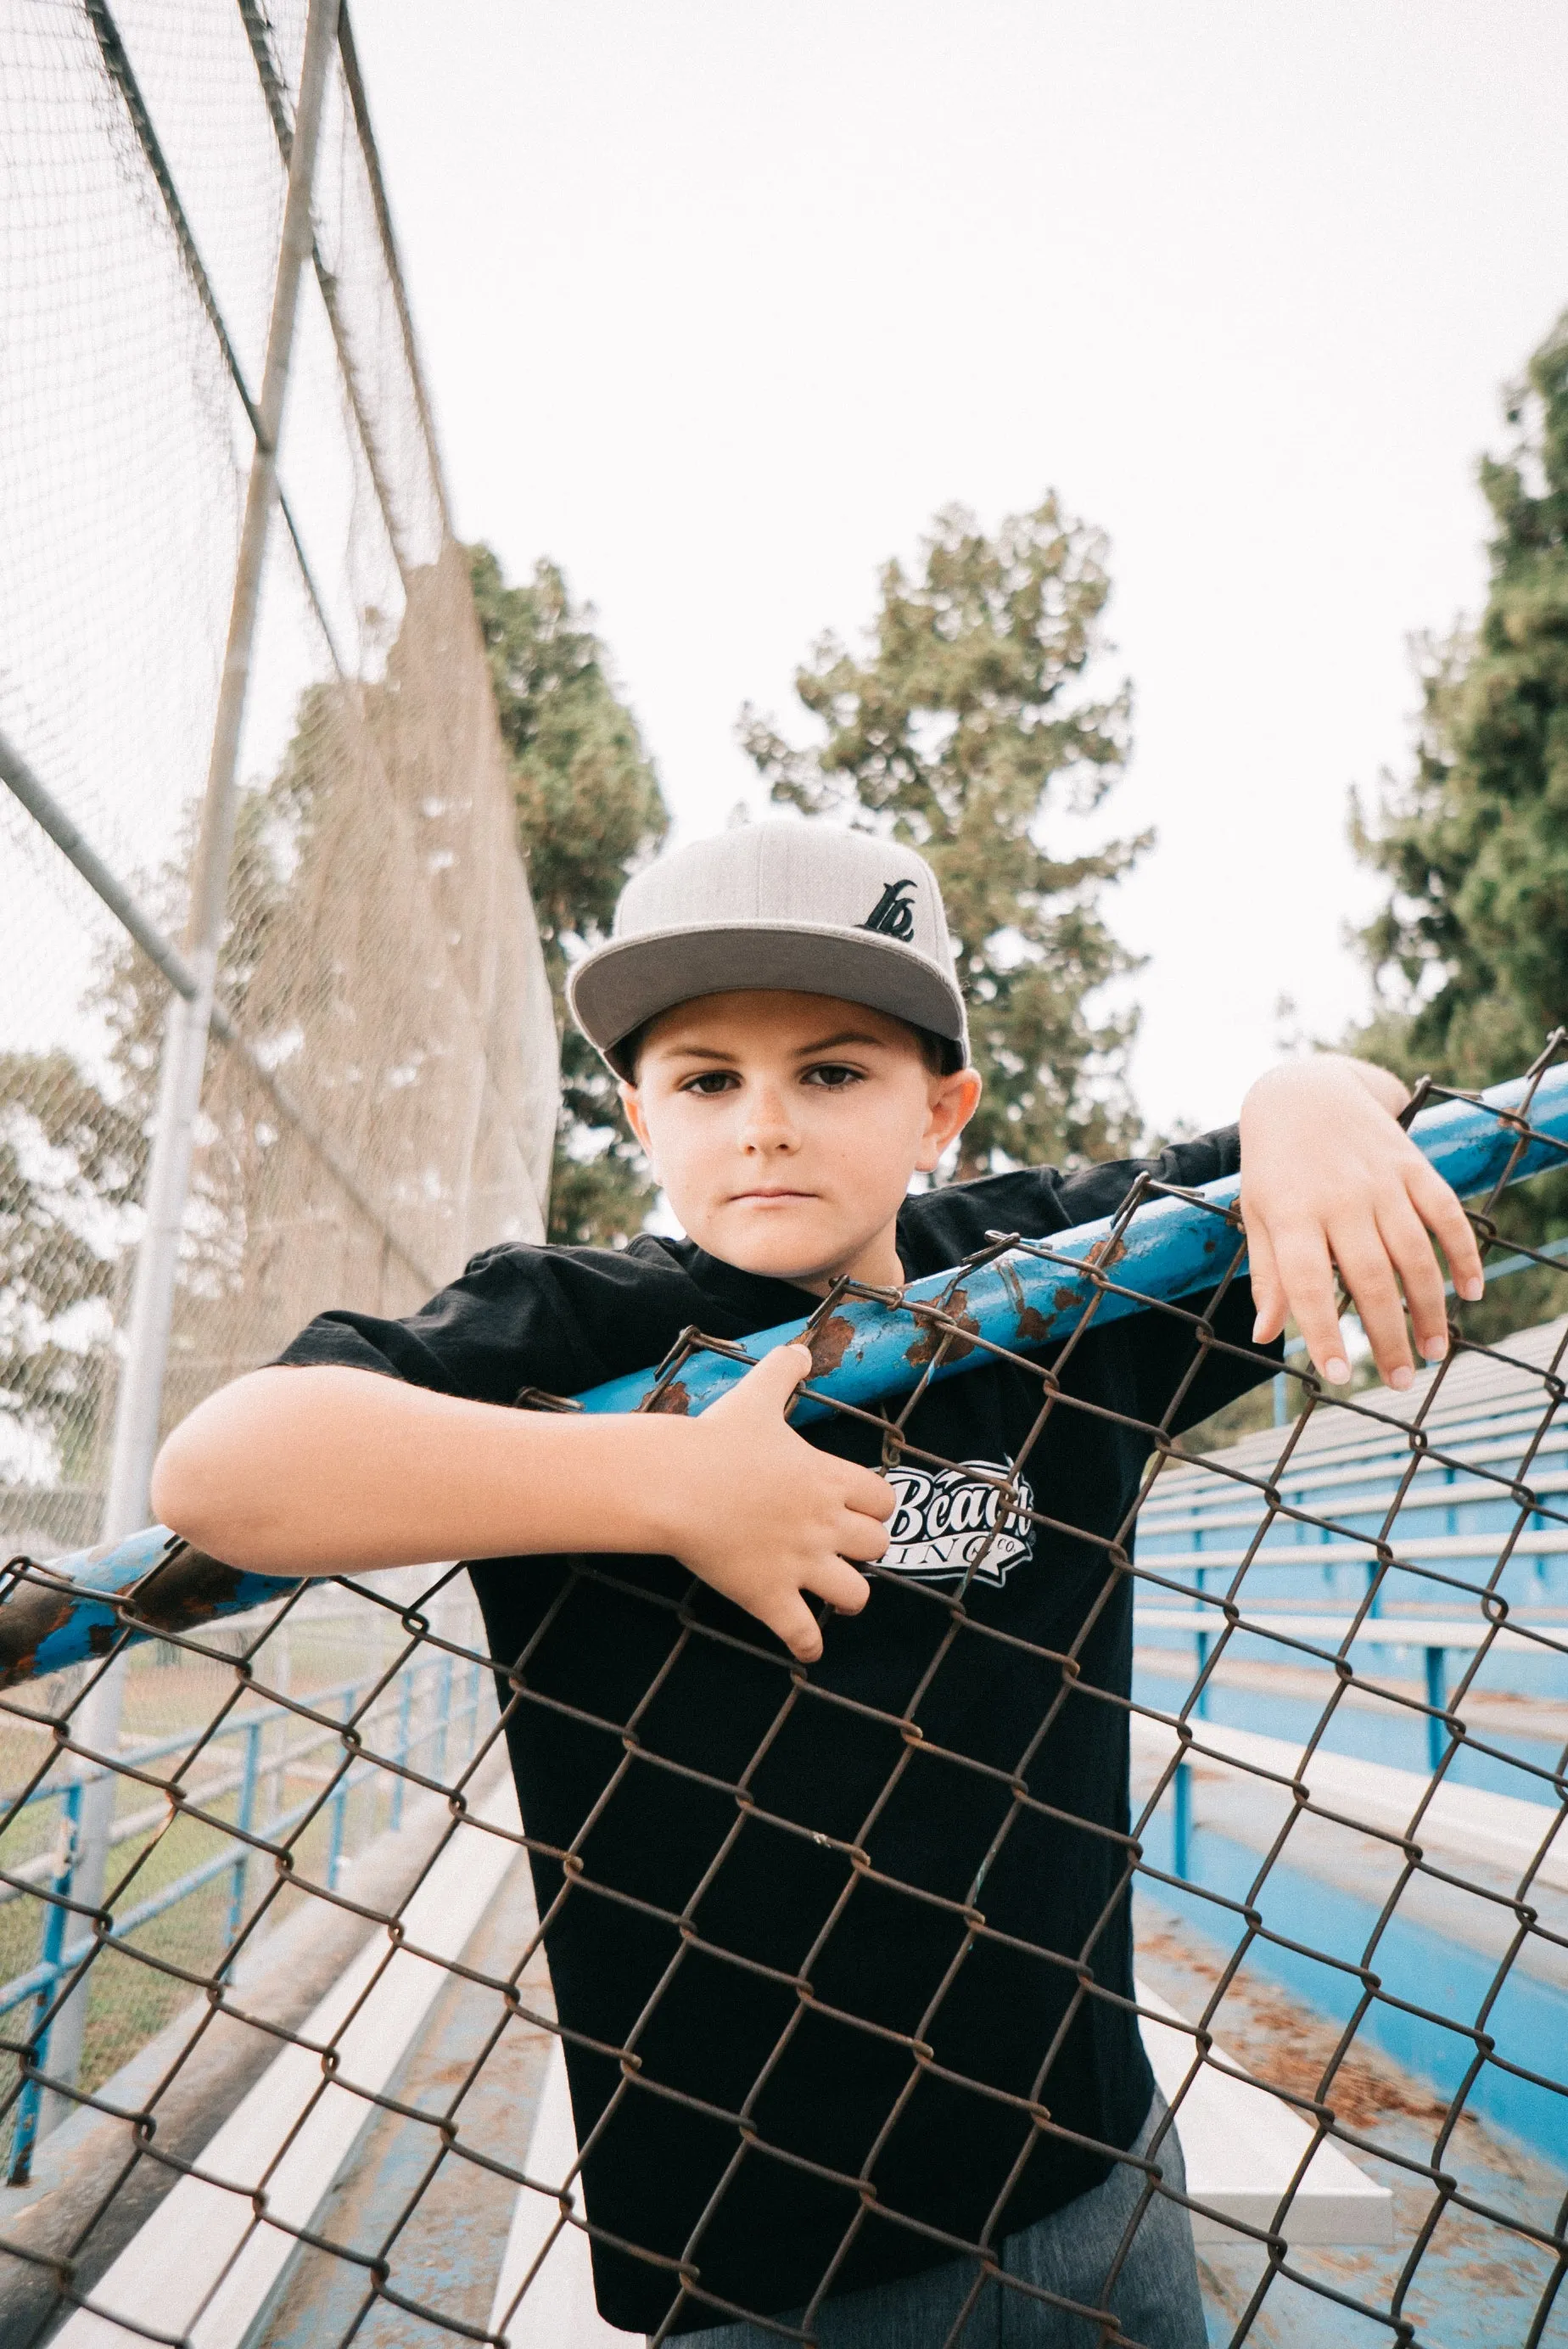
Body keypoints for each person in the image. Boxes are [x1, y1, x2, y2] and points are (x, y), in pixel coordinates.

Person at [152, 822, 1482, 2346]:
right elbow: (224, 1469)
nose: (765, 1126)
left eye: (833, 1073)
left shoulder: (1048, 1279)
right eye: (707, 1080)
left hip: (1089, 2172)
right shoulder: (584, 1332)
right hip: (759, 2255)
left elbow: (1358, 1118)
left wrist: (1304, 1096)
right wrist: (663, 1482)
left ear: (944, 1109)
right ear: (640, 1114)